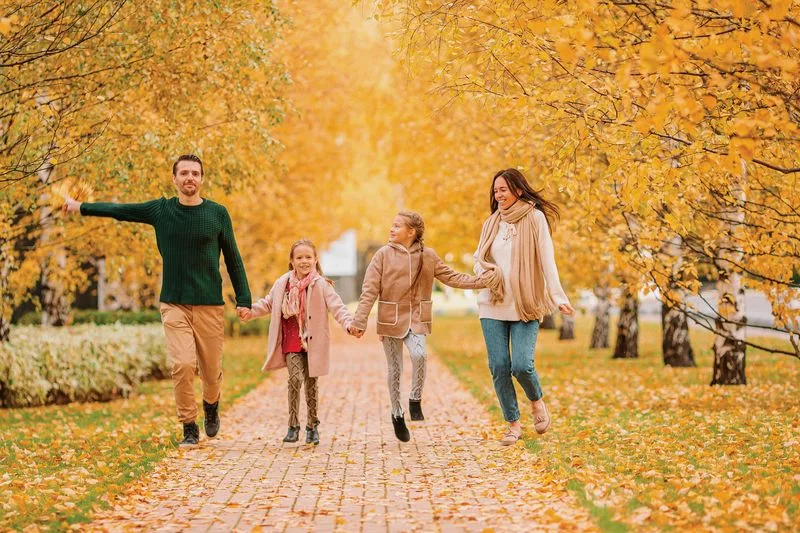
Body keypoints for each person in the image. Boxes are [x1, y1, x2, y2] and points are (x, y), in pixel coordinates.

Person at [64, 154, 251, 447]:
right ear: (174, 178)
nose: (190, 178)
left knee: (211, 373)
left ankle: (211, 406)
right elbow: (120, 210)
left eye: (195, 173)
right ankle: (189, 425)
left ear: (201, 179)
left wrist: (244, 299)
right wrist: (80, 208)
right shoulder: (161, 210)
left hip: (209, 305)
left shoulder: (217, 214)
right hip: (174, 303)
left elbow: (233, 259)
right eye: (184, 173)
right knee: (183, 365)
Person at [350, 211, 489, 442]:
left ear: (411, 232)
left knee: (420, 355)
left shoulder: (428, 256)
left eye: (396, 226)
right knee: (395, 370)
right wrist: (359, 321)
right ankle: (397, 413)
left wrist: (483, 281)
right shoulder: (382, 255)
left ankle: (415, 398)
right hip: (390, 320)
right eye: (392, 225)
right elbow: (369, 291)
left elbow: (452, 277)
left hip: (416, 318)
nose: (391, 229)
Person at [473, 168, 575, 446]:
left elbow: (546, 259)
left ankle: (537, 402)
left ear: (518, 189)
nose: (498, 195)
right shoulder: (491, 223)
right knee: (499, 366)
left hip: (525, 303)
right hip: (492, 303)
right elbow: (478, 257)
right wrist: (484, 272)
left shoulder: (535, 218)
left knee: (521, 365)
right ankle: (513, 424)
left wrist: (558, 297)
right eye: (495, 191)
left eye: (503, 189)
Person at [241, 239, 354, 445]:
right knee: (295, 378)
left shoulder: (321, 284)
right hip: (292, 340)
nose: (304, 261)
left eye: (308, 257)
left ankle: (312, 426)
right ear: (292, 261)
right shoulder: (282, 283)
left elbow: (337, 307)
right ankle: (293, 425)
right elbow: (268, 303)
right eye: (299, 257)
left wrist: (349, 324)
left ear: (315, 259)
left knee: (311, 383)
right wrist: (250, 312)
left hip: (314, 342)